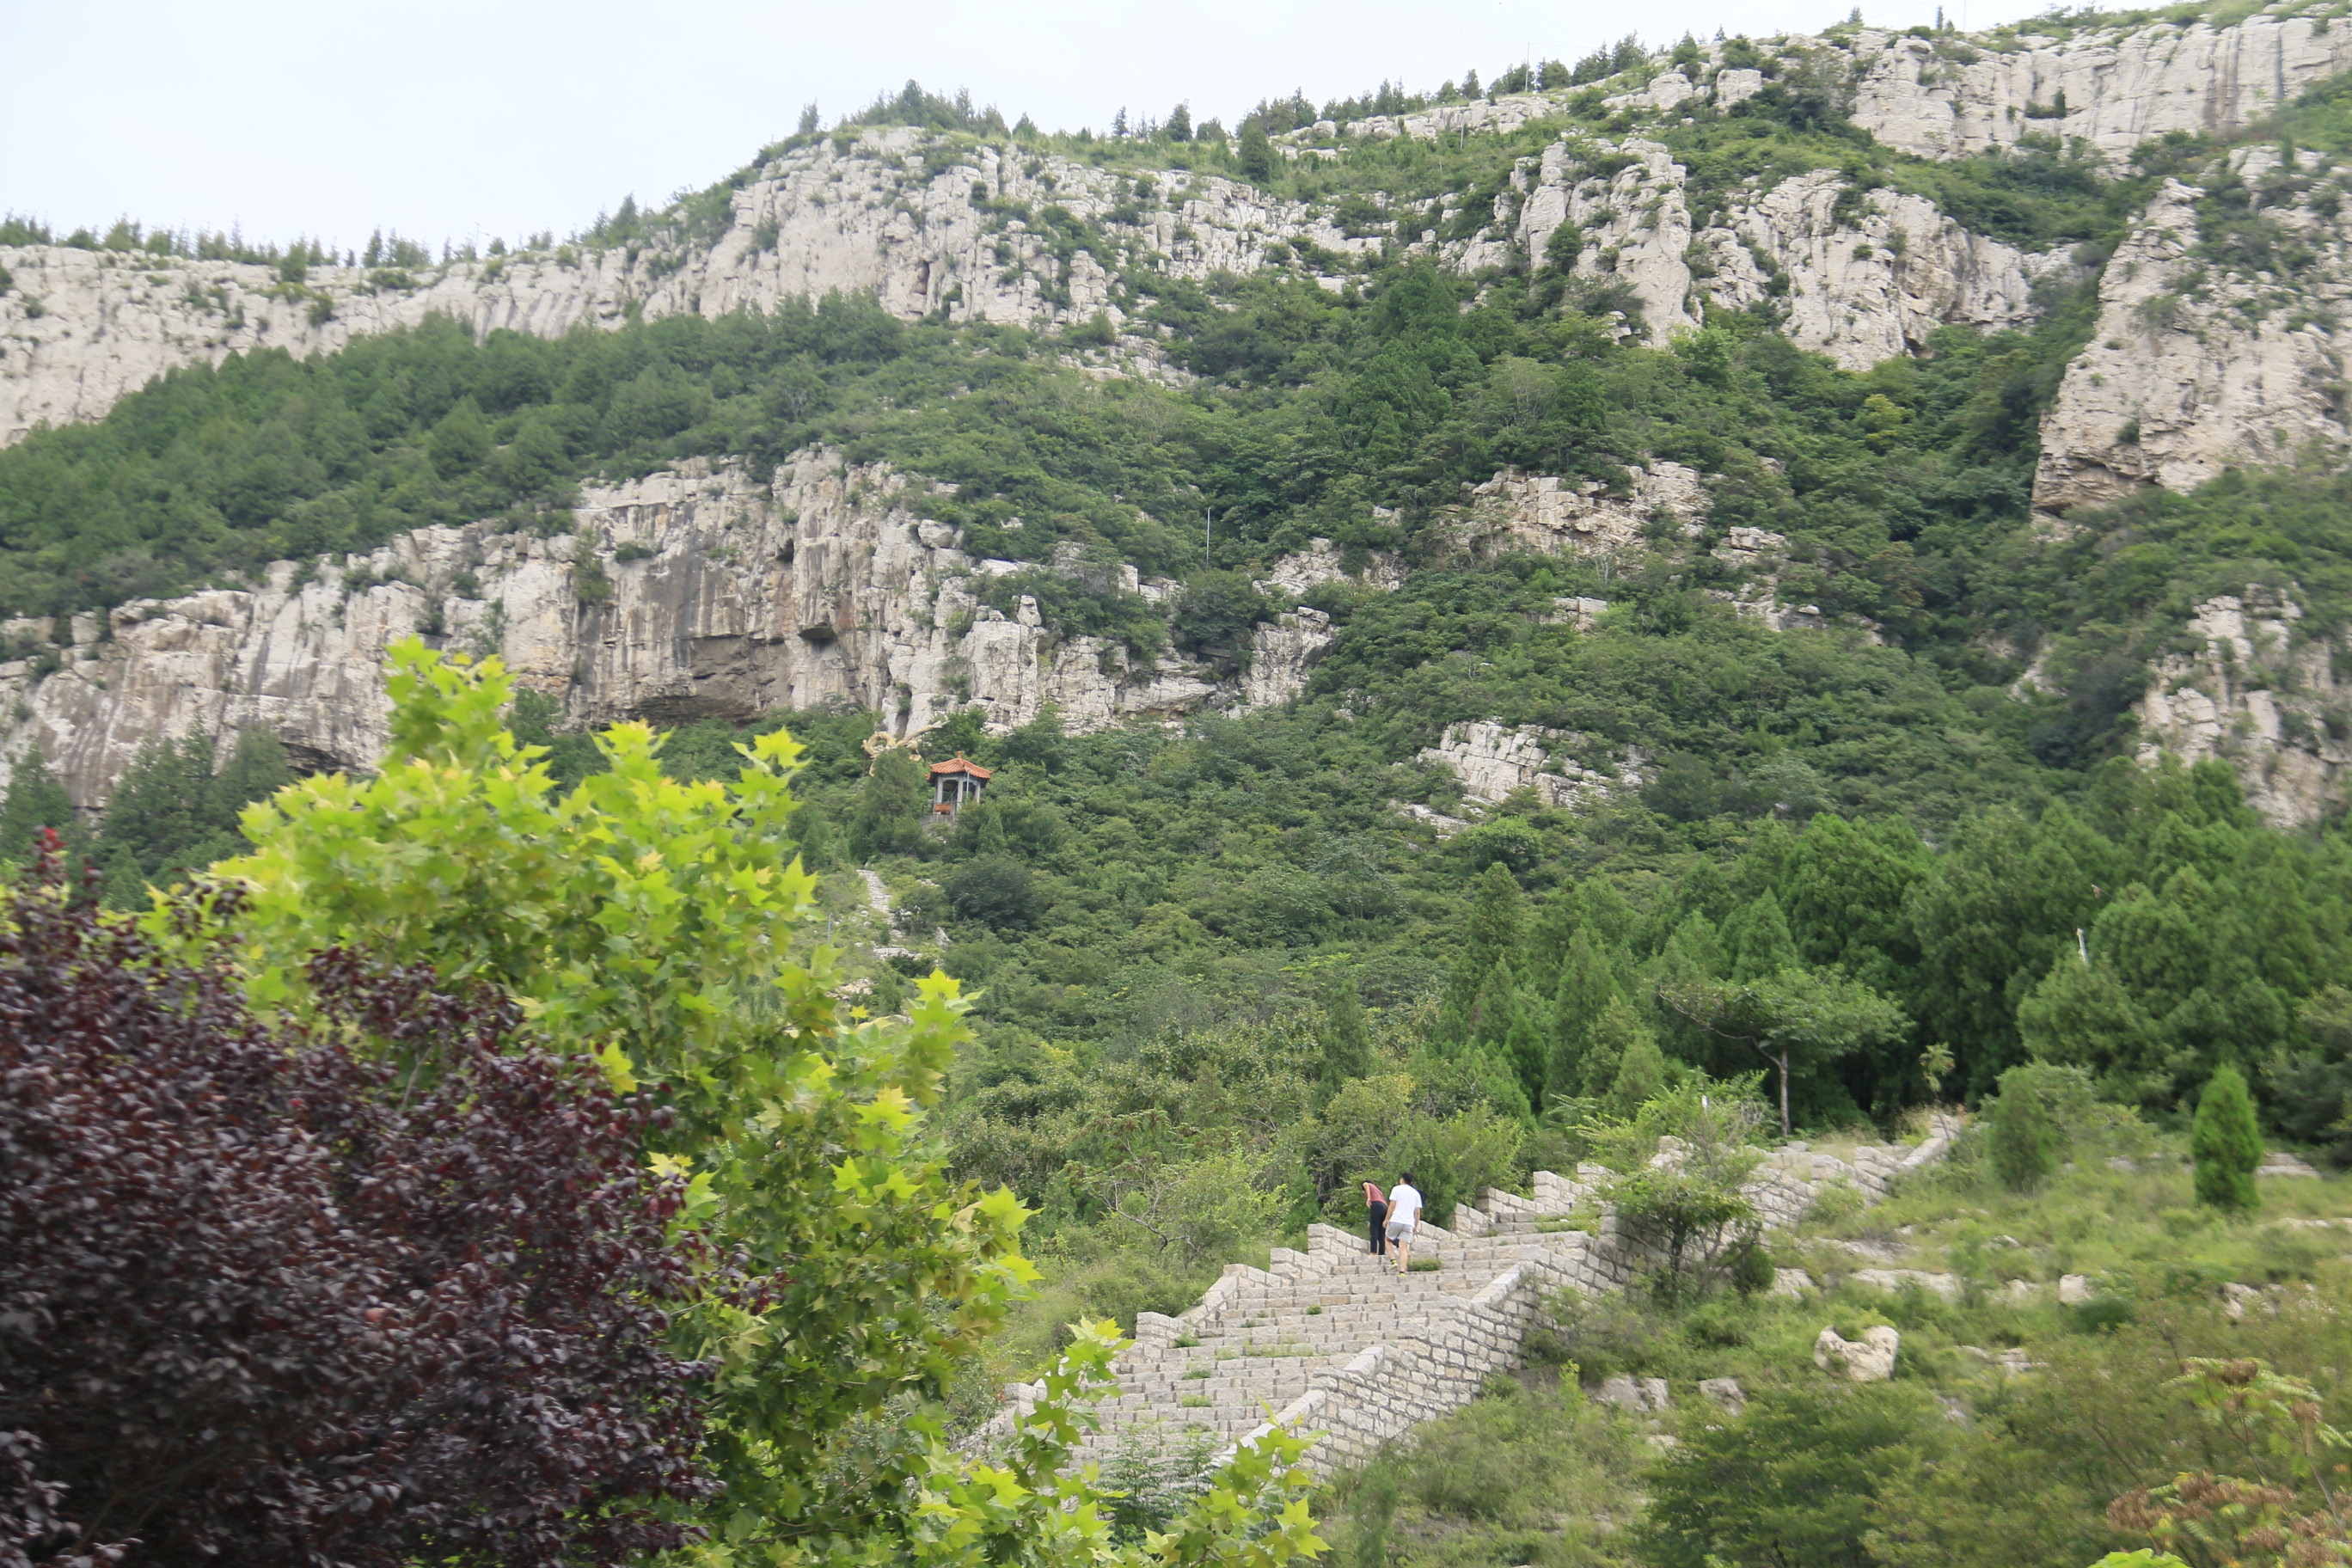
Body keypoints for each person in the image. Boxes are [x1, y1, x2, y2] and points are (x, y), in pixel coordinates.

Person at [1385, 1171, 1424, 1274]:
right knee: (1403, 1248)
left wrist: (1386, 1219)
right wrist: (1415, 1226)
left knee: (1388, 1240)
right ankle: (1402, 1271)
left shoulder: (1396, 1189)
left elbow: (1392, 1205)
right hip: (1409, 1223)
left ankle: (1393, 1261)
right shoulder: (1416, 1194)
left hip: (1396, 1220)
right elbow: (1417, 1212)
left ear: (1402, 1180)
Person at [1362, 1179, 1388, 1256]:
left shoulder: (1367, 1184)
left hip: (1377, 1205)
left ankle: (1373, 1251)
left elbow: (1365, 1184)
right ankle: (1382, 1253)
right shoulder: (1378, 1190)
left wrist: (1368, 1198)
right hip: (1385, 1207)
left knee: (1374, 1229)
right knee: (1381, 1232)